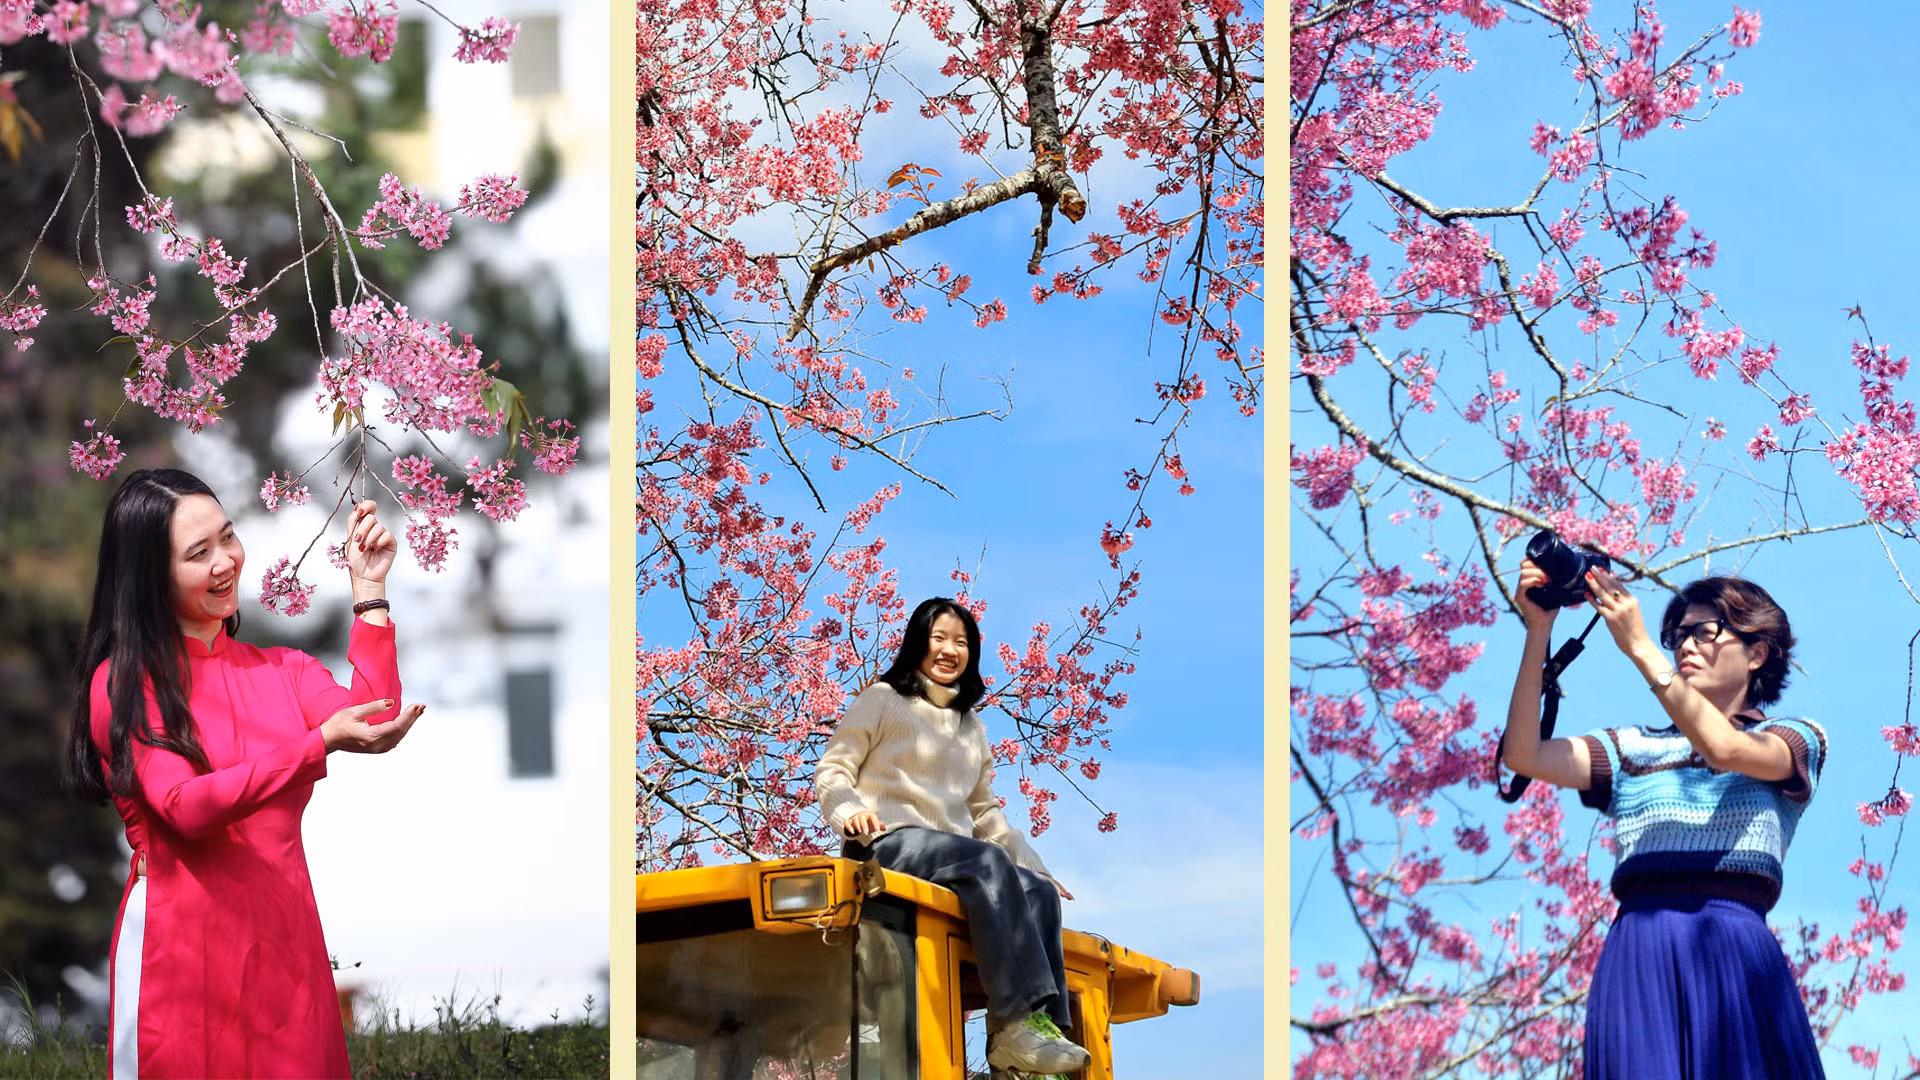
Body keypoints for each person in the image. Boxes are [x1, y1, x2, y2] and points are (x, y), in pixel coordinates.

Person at [64, 468, 427, 1079]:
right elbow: (185, 806)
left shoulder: (281, 669)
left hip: (283, 938)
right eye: (197, 553)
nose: (225, 561)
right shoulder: (125, 681)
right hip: (180, 947)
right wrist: (313, 748)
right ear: (149, 577)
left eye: (227, 538)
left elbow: (375, 719)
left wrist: (369, 592)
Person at [1501, 558, 1826, 1079]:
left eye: (1704, 631)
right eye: (1677, 635)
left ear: (1758, 652)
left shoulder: (1797, 739)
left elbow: (1724, 748)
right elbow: (1523, 756)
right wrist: (1539, 629)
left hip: (1734, 947)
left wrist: (1640, 648)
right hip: (1638, 950)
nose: (1685, 645)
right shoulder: (1633, 748)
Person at [814, 596, 1090, 1077]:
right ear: (917, 642)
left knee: (1039, 894)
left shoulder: (971, 727)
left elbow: (984, 812)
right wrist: (850, 810)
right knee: (986, 863)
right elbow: (835, 767)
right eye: (939, 638)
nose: (949, 649)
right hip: (888, 845)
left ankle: (1042, 1033)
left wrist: (1037, 867)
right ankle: (1013, 1024)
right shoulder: (883, 699)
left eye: (960, 642)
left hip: (955, 858)